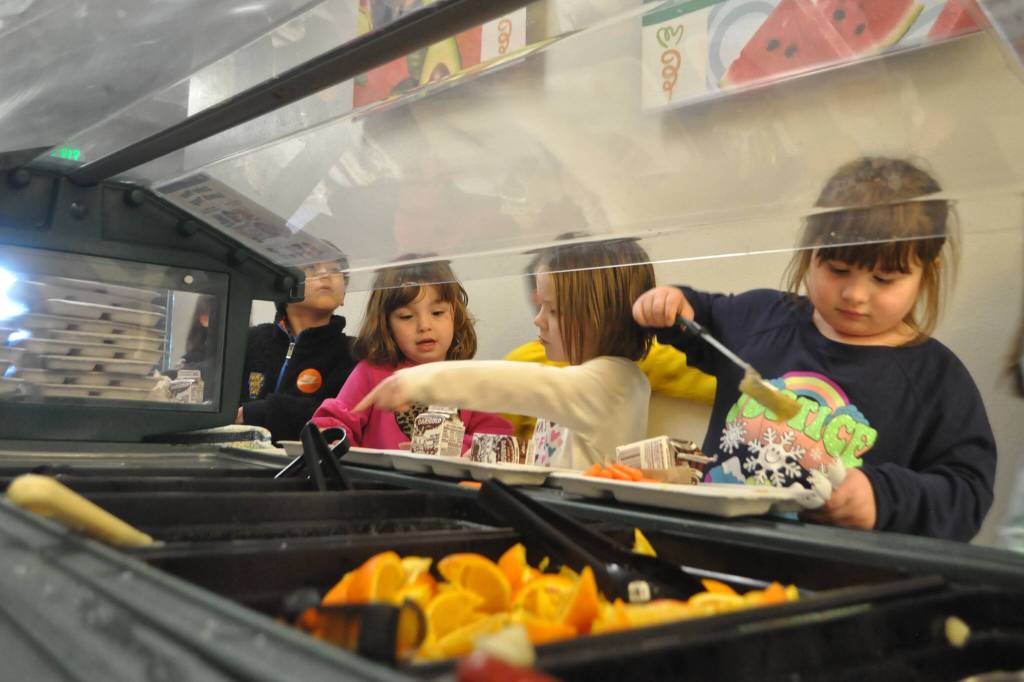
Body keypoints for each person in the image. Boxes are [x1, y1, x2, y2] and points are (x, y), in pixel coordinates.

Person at [632, 156, 996, 541]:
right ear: (811, 250)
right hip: (711, 555)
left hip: (834, 583)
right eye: (838, 270)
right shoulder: (762, 318)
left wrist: (882, 498)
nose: (855, 294)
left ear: (928, 270)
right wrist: (672, 303)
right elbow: (700, 315)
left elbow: (968, 492)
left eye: (884, 278)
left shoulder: (935, 378)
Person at [352, 239, 655, 470]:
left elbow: (518, 383)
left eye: (553, 310)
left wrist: (417, 381)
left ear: (598, 316)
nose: (538, 320)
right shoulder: (587, 380)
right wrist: (475, 457)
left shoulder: (613, 383)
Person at [501, 233, 716, 445]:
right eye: (542, 307)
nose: (539, 320)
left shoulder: (616, 376)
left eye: (555, 310)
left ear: (602, 318)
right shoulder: (531, 359)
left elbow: (499, 384)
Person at [311, 257, 511, 450]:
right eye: (406, 317)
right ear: (386, 324)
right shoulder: (372, 372)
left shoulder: (471, 381)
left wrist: (456, 447)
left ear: (455, 316)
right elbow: (335, 422)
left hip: (450, 485)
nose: (424, 326)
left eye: (437, 313)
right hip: (380, 484)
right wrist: (329, 438)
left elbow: (496, 439)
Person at [237, 257, 357, 442]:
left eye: (335, 270)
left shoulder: (354, 353)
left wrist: (263, 411)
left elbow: (338, 418)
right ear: (284, 285)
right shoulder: (249, 340)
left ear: (343, 296)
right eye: (311, 267)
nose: (325, 274)